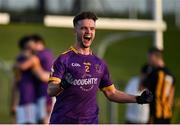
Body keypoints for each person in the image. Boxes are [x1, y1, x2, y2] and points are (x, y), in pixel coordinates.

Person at [47, 11, 153, 124]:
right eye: (84, 28)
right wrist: (62, 84)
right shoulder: (63, 59)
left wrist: (138, 99)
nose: (88, 32)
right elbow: (50, 90)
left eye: (92, 29)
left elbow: (111, 93)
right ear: (75, 30)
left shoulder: (100, 63)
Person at [16, 34, 54, 123]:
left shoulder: (41, 55)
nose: (32, 49)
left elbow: (23, 66)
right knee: (42, 120)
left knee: (44, 120)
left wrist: (20, 59)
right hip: (43, 94)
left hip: (45, 94)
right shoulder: (47, 53)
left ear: (38, 43)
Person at [141, 47, 175, 124]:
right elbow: (171, 98)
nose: (148, 60)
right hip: (167, 115)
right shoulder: (170, 74)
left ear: (154, 56)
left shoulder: (155, 73)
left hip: (155, 115)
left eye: (149, 57)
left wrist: (144, 74)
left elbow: (141, 87)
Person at [10, 35, 37, 124]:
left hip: (31, 98)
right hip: (26, 99)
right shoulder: (23, 59)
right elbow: (16, 81)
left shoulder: (32, 59)